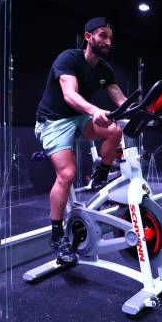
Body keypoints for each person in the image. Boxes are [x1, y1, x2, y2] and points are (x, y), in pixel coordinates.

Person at [35, 17, 127, 265]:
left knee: (115, 131)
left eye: (110, 37)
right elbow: (70, 95)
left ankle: (100, 176)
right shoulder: (69, 59)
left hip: (79, 119)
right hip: (53, 120)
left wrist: (140, 110)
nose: (107, 41)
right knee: (67, 174)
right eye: (102, 35)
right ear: (88, 37)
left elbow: (120, 98)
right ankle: (56, 235)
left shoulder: (104, 69)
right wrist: (94, 110)